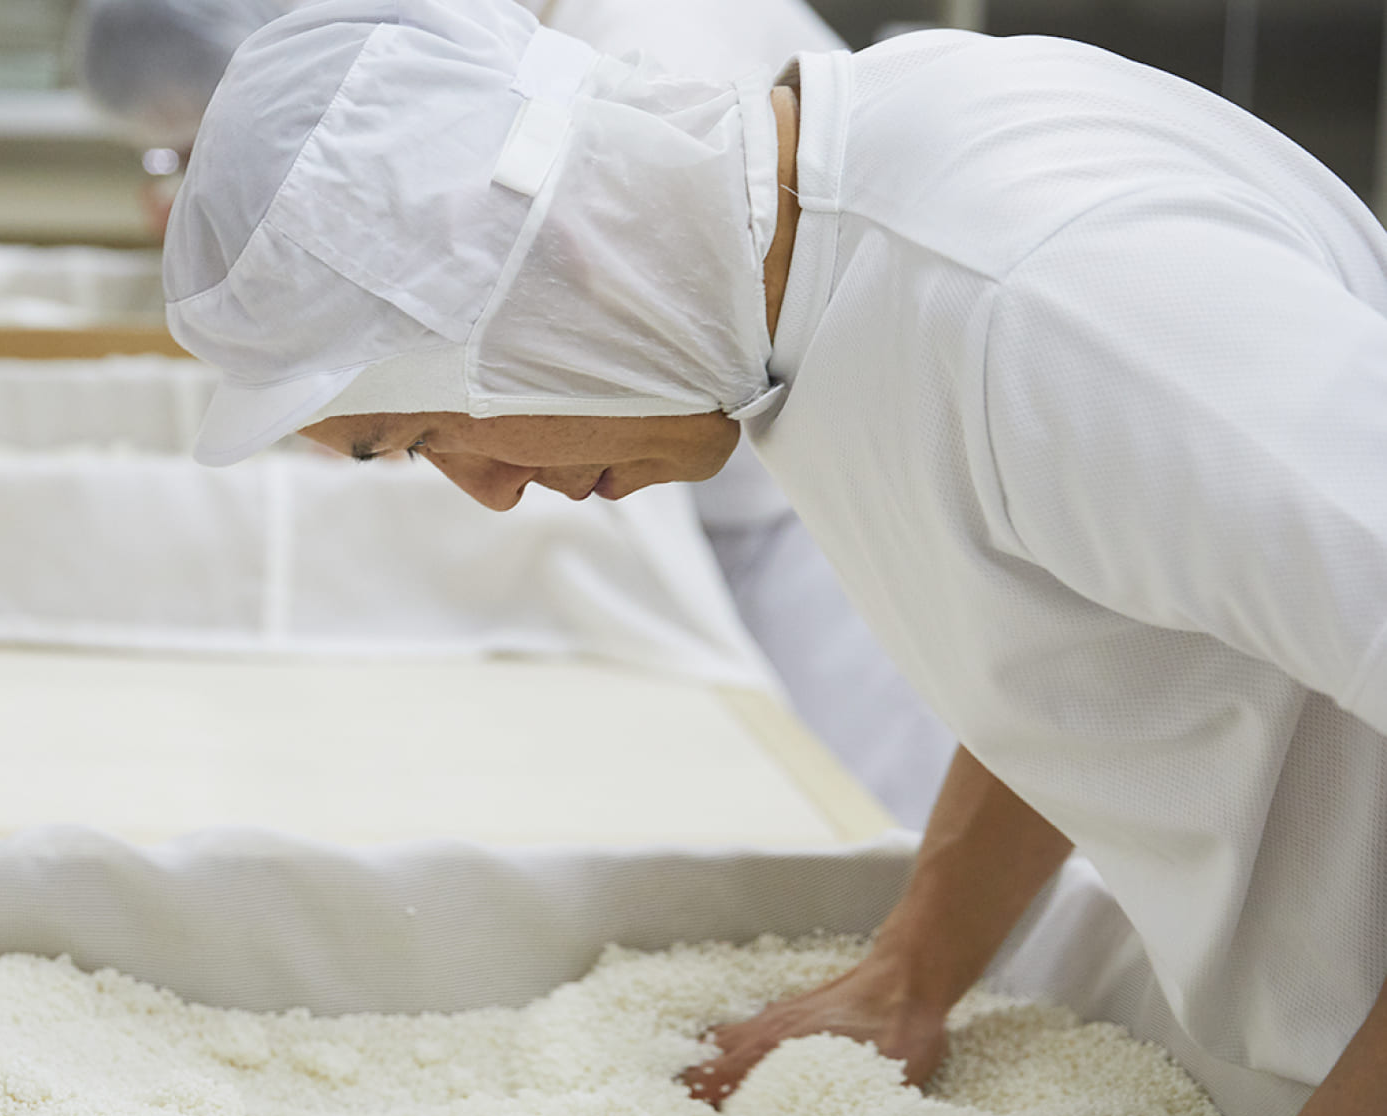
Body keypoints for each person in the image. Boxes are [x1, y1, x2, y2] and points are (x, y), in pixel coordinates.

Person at [162, 0, 1387, 1116]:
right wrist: (913, 971)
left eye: (423, 431)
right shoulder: (824, 257)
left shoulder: (1042, 298)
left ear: (559, 265)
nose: (481, 487)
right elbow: (1095, 635)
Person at [73, 0, 955, 825]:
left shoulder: (628, 90)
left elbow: (583, 380)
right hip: (783, 487)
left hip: (830, 520)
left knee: (874, 807)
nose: (492, 491)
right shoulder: (517, 99)